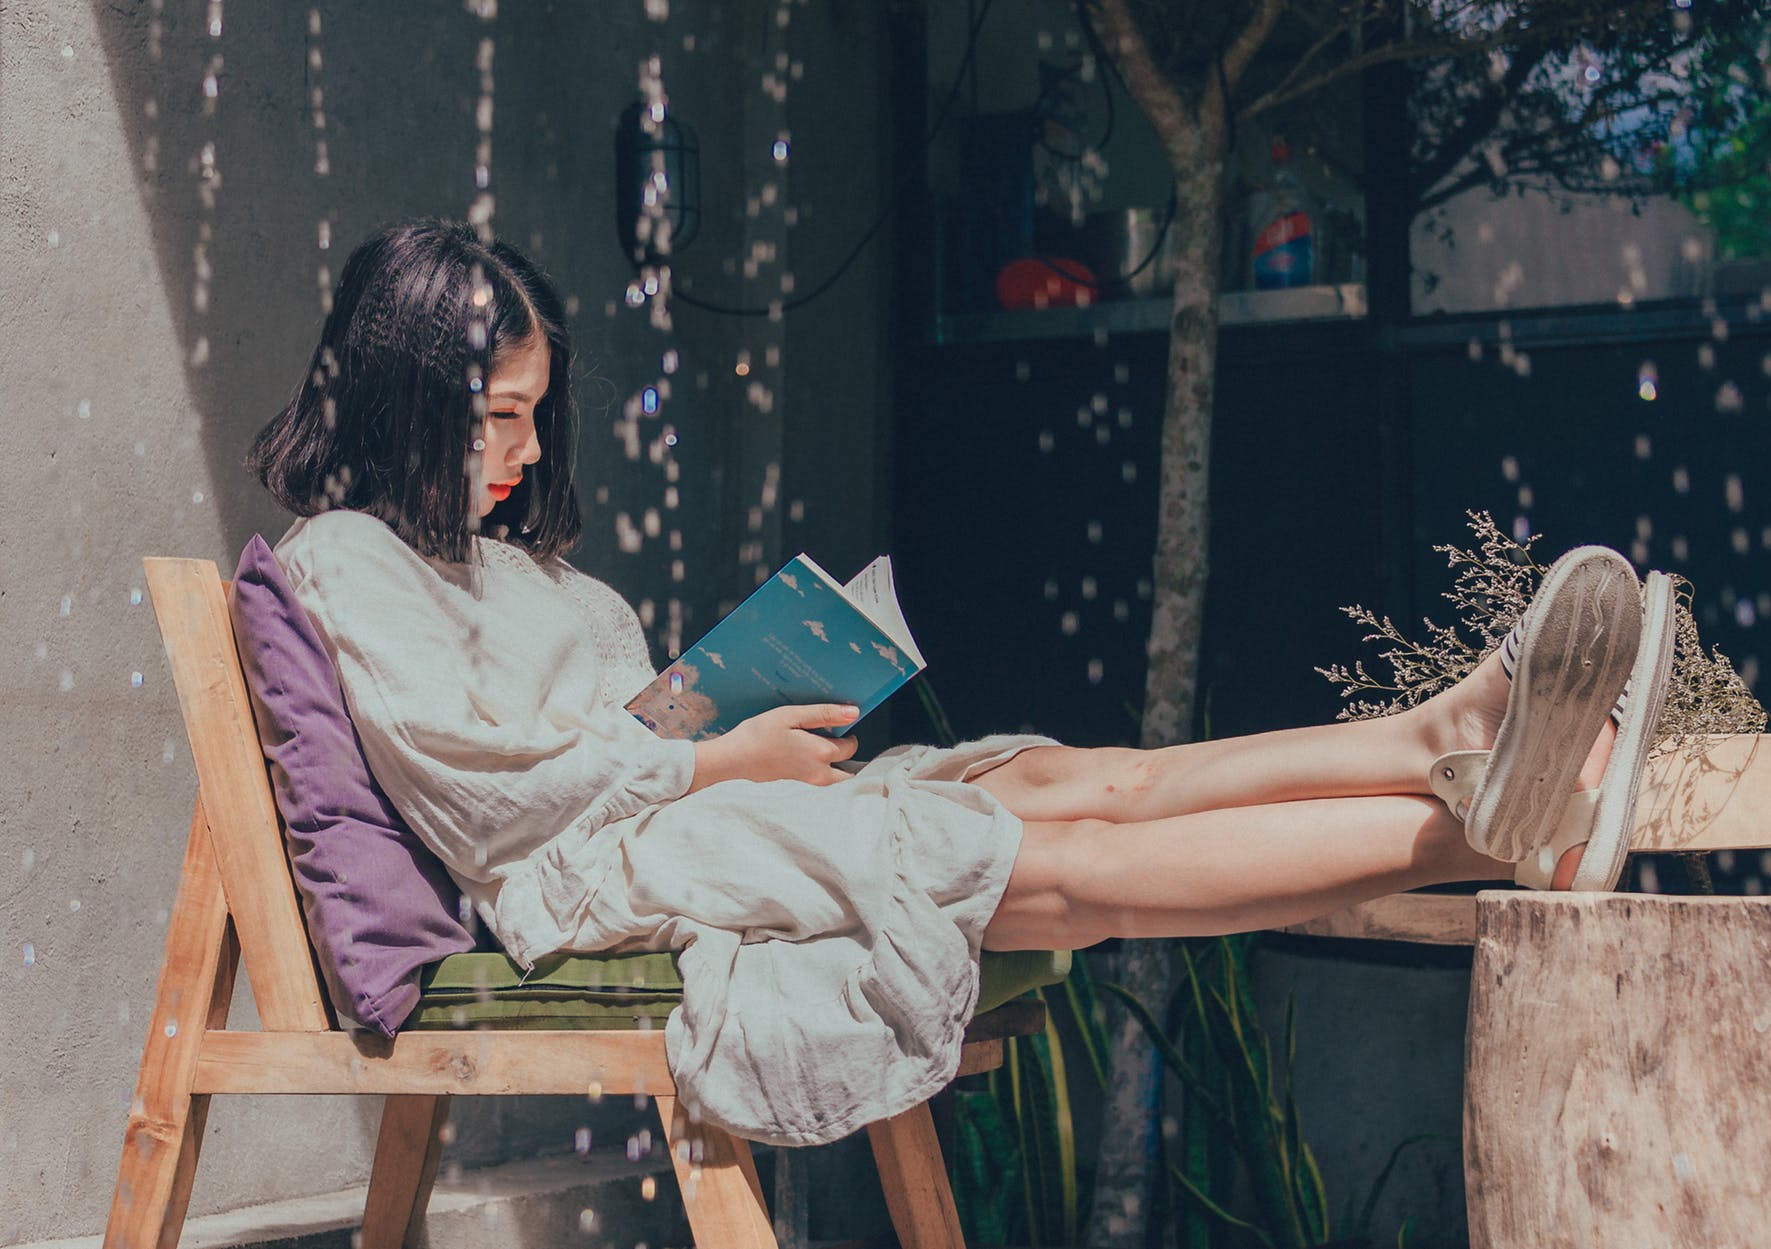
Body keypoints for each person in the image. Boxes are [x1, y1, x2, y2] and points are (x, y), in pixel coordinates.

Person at [246, 219, 1674, 1146]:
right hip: (607, 868)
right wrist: (715, 762)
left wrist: (722, 713)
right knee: (1055, 856)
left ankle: (1450, 724)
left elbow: (613, 724)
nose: (520, 450)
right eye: (497, 417)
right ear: (404, 395)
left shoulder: (498, 561)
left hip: (690, 810)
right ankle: (1488, 827)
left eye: (536, 414)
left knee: (1064, 775)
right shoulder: (349, 562)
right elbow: (492, 799)